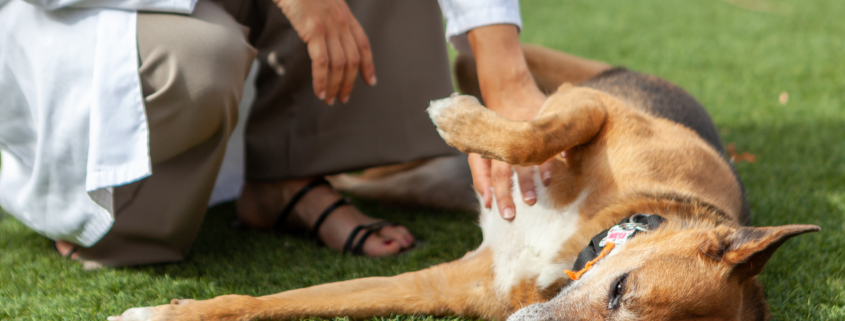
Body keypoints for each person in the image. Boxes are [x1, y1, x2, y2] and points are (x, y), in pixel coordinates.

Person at [0, 0, 544, 266]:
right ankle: (107, 213)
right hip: (100, 23)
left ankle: (286, 178)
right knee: (199, 65)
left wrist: (504, 73)